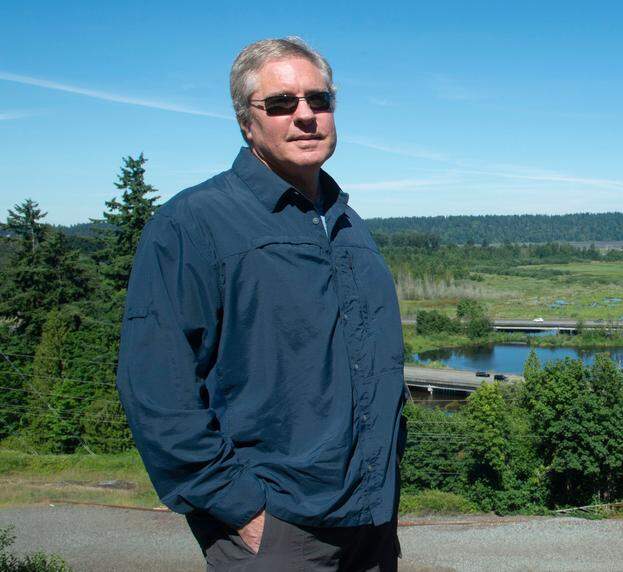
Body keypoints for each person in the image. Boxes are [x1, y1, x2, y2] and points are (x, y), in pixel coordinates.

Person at [116, 37, 407, 570]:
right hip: (278, 531)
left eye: (319, 100)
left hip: (369, 522)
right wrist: (241, 511)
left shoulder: (346, 224)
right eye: (280, 104)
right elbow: (157, 387)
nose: (306, 116)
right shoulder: (193, 223)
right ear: (246, 123)